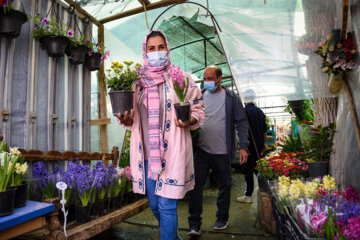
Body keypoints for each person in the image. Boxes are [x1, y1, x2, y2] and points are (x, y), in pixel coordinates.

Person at [117, 30, 205, 240]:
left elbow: (198, 108)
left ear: (167, 48)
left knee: (166, 205)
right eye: (151, 49)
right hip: (147, 155)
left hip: (173, 151)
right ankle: (172, 236)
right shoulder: (136, 83)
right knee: (155, 204)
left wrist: (190, 119)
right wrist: (126, 120)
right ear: (145, 52)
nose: (157, 52)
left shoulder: (181, 78)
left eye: (160, 47)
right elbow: (132, 119)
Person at [187, 65, 249, 236]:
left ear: (220, 79)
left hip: (222, 151)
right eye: (205, 78)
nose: (207, 82)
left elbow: (241, 122)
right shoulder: (200, 96)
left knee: (225, 186)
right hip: (201, 150)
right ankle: (194, 224)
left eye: (210, 78)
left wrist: (243, 147)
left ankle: (222, 217)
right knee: (195, 187)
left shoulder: (230, 97)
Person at [236, 89, 267, 203]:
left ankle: (248, 196)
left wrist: (244, 147)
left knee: (248, 170)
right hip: (258, 145)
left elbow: (243, 130)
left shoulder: (244, 112)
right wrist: (263, 144)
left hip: (248, 146)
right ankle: (264, 188)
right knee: (257, 168)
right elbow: (264, 131)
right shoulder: (260, 112)